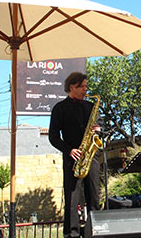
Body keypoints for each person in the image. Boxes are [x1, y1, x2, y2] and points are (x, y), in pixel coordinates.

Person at [49, 72, 101, 238]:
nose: (85, 90)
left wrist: (99, 130)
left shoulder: (90, 107)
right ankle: (71, 233)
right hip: (73, 158)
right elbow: (53, 136)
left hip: (91, 156)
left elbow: (101, 127)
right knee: (72, 198)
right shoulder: (60, 108)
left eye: (86, 86)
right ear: (72, 87)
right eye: (82, 87)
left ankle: (96, 230)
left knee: (94, 195)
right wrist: (69, 150)